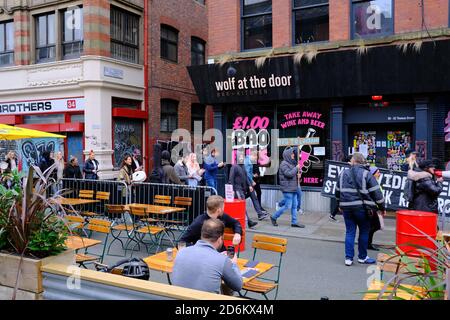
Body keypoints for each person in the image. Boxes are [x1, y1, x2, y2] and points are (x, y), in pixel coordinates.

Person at [335, 152, 386, 266]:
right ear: (362, 162)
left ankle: (348, 258)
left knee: (349, 232)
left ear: (353, 161)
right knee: (364, 232)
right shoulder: (366, 174)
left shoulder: (343, 173)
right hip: (363, 209)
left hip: (347, 208)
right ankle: (362, 257)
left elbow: (337, 191)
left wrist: (340, 204)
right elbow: (377, 193)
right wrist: (382, 208)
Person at [172, 218, 243, 294]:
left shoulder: (182, 252)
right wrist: (233, 264)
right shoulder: (222, 260)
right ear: (220, 239)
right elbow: (238, 286)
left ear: (202, 235)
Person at [271, 147, 304, 228]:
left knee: (294, 206)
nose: (293, 155)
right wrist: (296, 168)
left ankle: (294, 222)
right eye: (292, 154)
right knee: (287, 206)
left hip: (294, 187)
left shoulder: (292, 163)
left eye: (293, 153)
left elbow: (293, 175)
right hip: (287, 188)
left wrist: (299, 175)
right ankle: (274, 217)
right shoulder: (284, 164)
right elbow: (288, 174)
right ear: (288, 155)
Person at [228, 152, 263, 229]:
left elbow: (246, 177)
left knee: (240, 206)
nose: (241, 158)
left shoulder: (243, 166)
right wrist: (232, 190)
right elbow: (231, 179)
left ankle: (237, 222)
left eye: (242, 157)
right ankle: (249, 222)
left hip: (242, 189)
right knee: (242, 205)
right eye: (240, 157)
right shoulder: (234, 167)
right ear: (237, 158)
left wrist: (250, 185)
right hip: (237, 189)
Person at [245, 150, 269, 214]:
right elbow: (247, 173)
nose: (257, 158)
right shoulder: (248, 162)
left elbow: (249, 173)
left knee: (254, 196)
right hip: (250, 181)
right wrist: (252, 181)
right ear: (254, 155)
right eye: (256, 157)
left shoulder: (251, 161)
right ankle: (260, 212)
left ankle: (260, 213)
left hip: (253, 181)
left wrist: (253, 176)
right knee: (250, 195)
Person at [329, 155, 352, 222]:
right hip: (344, 187)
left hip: (343, 187)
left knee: (341, 202)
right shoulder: (347, 167)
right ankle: (334, 215)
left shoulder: (346, 167)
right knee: (342, 202)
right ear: (349, 160)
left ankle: (332, 215)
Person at [368, 166, 383, 251]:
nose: (379, 174)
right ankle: (367, 243)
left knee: (373, 226)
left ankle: (367, 243)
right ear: (373, 174)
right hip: (372, 208)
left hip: (374, 207)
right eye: (378, 172)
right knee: (376, 226)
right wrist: (381, 208)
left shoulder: (375, 181)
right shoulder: (372, 182)